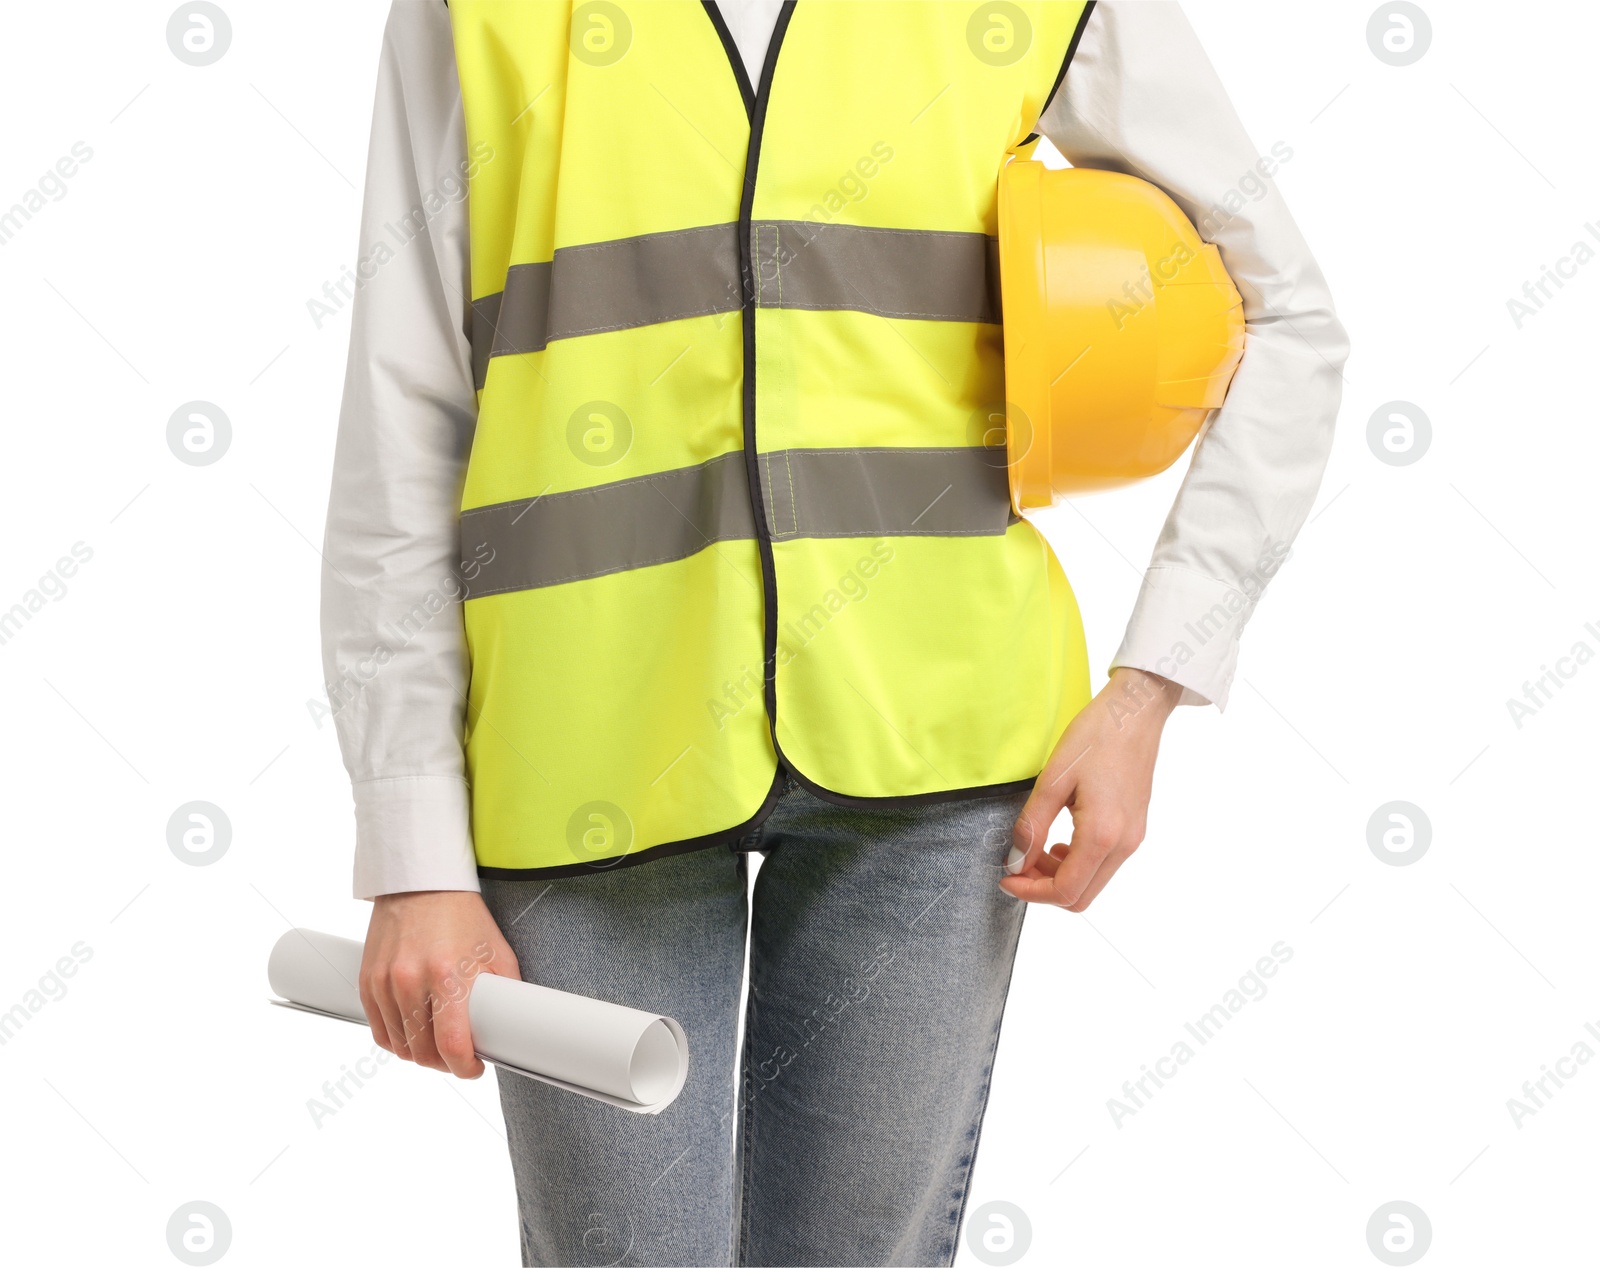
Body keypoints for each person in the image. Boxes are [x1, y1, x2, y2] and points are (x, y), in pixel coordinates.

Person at [320, 2, 1347, 1264]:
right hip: (583, 748)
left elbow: (1286, 314)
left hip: (937, 750)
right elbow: (402, 410)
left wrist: (1149, 687)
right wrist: (412, 844)